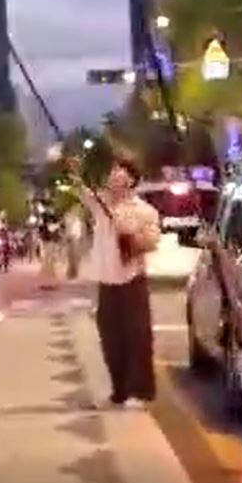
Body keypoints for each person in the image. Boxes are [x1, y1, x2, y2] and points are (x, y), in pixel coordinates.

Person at [80, 157, 162, 407]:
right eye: (112, 170)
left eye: (119, 171)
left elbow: (151, 242)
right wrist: (73, 166)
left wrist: (129, 231)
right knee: (110, 340)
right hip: (107, 282)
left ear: (131, 179)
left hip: (132, 281)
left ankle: (140, 392)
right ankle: (119, 391)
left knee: (137, 338)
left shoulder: (144, 210)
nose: (113, 175)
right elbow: (82, 188)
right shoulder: (100, 205)